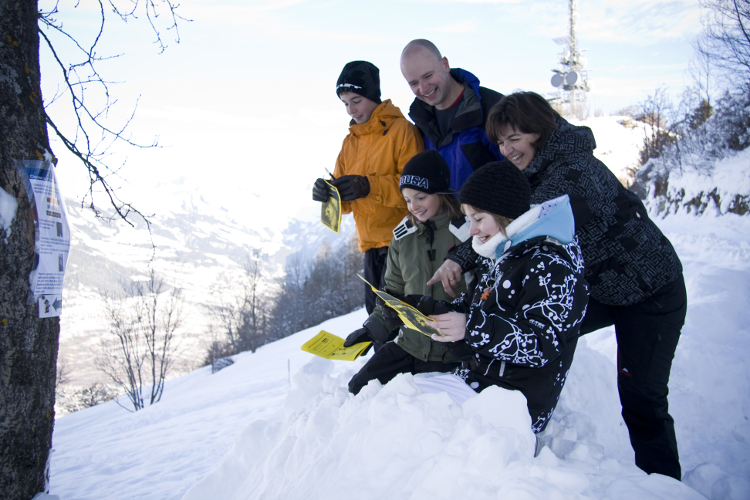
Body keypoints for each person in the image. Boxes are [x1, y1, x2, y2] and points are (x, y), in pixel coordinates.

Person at [434, 91, 686, 480]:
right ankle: (499, 412)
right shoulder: (533, 169)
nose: (506, 150)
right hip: (601, 292)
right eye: (500, 142)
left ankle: (665, 485)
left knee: (642, 398)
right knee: (525, 331)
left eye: (514, 139)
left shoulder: (576, 171)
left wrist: (460, 257)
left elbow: (518, 223)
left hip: (649, 293)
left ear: (539, 130)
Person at [418, 161, 589, 434]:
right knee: (404, 400)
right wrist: (428, 310)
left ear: (505, 214)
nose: (471, 231)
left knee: (414, 421)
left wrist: (470, 327)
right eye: (469, 220)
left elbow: (540, 345)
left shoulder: (551, 267)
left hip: (514, 404)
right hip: (479, 383)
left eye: (478, 218)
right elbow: (480, 307)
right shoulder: (507, 253)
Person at [343, 150, 470, 394]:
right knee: (358, 390)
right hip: (410, 345)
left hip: (452, 350)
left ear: (440, 192)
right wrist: (372, 329)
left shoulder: (466, 232)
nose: (414, 207)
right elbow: (393, 292)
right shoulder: (403, 237)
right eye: (408, 200)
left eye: (420, 198)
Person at [313, 61, 423, 316]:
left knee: (399, 319)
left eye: (356, 100)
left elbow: (417, 190)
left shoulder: (402, 131)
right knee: (375, 317)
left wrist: (368, 186)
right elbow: (347, 202)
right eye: (345, 104)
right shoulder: (350, 143)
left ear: (372, 95)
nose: (350, 110)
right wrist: (328, 194)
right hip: (370, 246)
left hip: (403, 243)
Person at [399, 39, 503, 190]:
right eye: (413, 83)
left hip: (490, 212)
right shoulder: (420, 125)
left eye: (428, 75)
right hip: (446, 214)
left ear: (445, 64)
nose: (423, 88)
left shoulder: (493, 108)